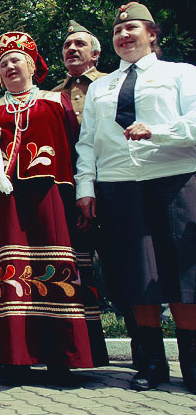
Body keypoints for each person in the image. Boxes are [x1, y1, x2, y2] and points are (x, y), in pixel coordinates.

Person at [0, 32, 107, 385]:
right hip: (2, 203)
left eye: (16, 60)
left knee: (52, 267)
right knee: (9, 272)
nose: (9, 67)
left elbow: (80, 147)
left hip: (49, 196)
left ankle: (62, 360)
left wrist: (83, 193)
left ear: (32, 65)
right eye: (2, 64)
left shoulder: (55, 100)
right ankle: (13, 360)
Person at [75, 2, 196, 393]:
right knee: (137, 274)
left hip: (173, 179)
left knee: (184, 273)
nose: (124, 36)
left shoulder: (180, 74)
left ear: (152, 34)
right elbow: (87, 143)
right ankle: (150, 364)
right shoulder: (100, 87)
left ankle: (192, 365)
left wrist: (157, 132)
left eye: (132, 29)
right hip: (118, 185)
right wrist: (86, 189)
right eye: (118, 32)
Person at [53, 20, 143, 367]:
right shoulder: (53, 94)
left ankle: (142, 345)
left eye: (79, 44)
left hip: (113, 182)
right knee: (78, 268)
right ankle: (85, 348)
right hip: (70, 190)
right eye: (66, 46)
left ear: (96, 52)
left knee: (125, 262)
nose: (72, 50)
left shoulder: (112, 84)